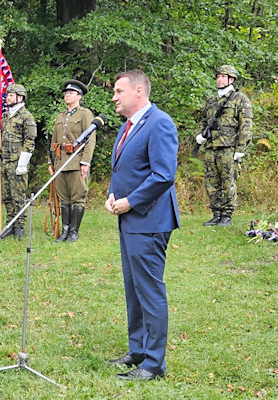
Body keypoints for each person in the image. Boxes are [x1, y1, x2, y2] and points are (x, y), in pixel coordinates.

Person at [105, 70, 180, 381]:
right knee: (133, 289)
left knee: (149, 291)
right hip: (130, 219)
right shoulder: (128, 126)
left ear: (139, 91)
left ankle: (153, 365)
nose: (114, 97)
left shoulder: (159, 122)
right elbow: (127, 169)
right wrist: (113, 194)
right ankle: (137, 349)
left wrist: (131, 201)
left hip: (149, 220)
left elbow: (164, 175)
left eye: (119, 91)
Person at [196, 65, 253, 227]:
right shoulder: (212, 101)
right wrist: (201, 136)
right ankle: (216, 214)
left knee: (228, 182)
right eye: (218, 76)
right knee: (211, 183)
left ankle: (227, 215)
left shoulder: (240, 99)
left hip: (229, 149)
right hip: (211, 147)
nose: (219, 79)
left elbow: (246, 126)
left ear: (231, 79)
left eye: (223, 76)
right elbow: (204, 122)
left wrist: (241, 149)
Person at [48, 79, 95, 243]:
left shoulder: (85, 114)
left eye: (71, 93)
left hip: (76, 162)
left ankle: (74, 232)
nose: (67, 95)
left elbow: (90, 140)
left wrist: (85, 162)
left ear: (79, 96)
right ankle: (65, 230)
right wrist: (51, 163)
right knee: (64, 199)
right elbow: (54, 141)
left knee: (77, 198)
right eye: (66, 93)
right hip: (61, 163)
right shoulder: (60, 116)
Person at [0, 84, 37, 240]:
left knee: (18, 195)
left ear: (20, 97)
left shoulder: (26, 116)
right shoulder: (5, 116)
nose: (8, 98)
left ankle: (19, 225)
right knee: (6, 195)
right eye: (8, 95)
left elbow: (30, 140)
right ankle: (10, 223)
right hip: (5, 161)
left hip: (17, 162)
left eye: (11, 95)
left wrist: (23, 163)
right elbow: (1, 138)